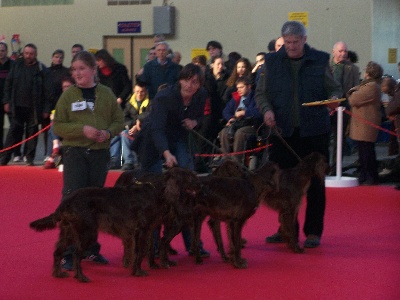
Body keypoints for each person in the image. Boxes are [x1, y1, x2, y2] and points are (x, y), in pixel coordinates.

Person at [256, 21, 342, 248]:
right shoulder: (272, 61)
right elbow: (261, 93)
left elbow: (334, 89)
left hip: (314, 132)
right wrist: (267, 111)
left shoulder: (320, 60)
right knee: (281, 183)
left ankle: (313, 232)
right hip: (282, 132)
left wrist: (333, 100)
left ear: (304, 39)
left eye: (296, 42)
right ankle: (286, 229)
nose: (292, 46)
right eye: (288, 42)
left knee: (315, 183)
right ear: (282, 40)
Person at [53, 50, 124, 270]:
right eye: (74, 70)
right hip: (75, 154)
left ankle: (91, 250)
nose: (77, 73)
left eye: (81, 68)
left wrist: (109, 133)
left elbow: (119, 121)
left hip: (99, 155)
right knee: (73, 201)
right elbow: (58, 126)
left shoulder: (106, 94)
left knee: (94, 203)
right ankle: (67, 252)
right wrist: (82, 129)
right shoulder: (68, 95)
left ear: (94, 70)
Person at [134, 63, 209, 256]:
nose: (190, 85)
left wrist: (195, 122)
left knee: (188, 190)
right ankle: (151, 246)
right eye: (187, 80)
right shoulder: (164, 97)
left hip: (179, 138)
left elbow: (200, 117)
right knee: (151, 191)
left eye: (195, 82)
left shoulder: (201, 95)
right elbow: (157, 129)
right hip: (153, 140)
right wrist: (166, 153)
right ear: (180, 79)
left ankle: (193, 244)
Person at [0, 43, 53, 166]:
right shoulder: (16, 66)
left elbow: (48, 91)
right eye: (26, 53)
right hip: (16, 106)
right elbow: (8, 84)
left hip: (34, 108)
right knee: (13, 133)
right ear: (23, 53)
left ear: (36, 54)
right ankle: (5, 158)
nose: (28, 56)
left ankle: (29, 158)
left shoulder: (41, 69)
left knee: (32, 134)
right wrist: (6, 101)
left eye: (31, 54)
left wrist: (46, 109)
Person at [94, 49, 132, 169]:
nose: (98, 63)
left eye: (99, 60)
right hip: (105, 106)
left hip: (119, 105)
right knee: (109, 131)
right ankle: (113, 158)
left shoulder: (120, 69)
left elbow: (127, 86)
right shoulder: (98, 73)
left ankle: (120, 158)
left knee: (118, 131)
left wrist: (120, 98)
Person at [347, 61, 383, 185]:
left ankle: (370, 176)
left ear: (368, 73)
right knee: (363, 151)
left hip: (366, 125)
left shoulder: (372, 86)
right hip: (363, 125)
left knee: (367, 152)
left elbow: (353, 99)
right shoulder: (369, 85)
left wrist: (352, 92)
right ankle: (364, 174)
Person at [329, 41, 360, 172]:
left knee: (339, 140)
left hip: (343, 109)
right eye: (340, 51)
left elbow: (355, 89)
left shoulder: (352, 69)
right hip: (326, 108)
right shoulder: (325, 66)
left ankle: (336, 168)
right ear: (334, 52)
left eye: (345, 51)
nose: (343, 54)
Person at [219, 77, 262, 163]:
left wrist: (244, 113)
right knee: (224, 132)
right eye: (237, 88)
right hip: (236, 123)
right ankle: (225, 160)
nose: (239, 90)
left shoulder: (255, 97)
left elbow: (258, 113)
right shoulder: (236, 98)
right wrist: (231, 118)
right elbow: (226, 111)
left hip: (251, 125)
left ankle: (236, 161)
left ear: (249, 86)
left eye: (241, 87)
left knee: (240, 133)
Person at [43, 76, 75, 169]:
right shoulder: (61, 99)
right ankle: (55, 148)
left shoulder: (76, 98)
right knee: (52, 128)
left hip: (73, 125)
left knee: (52, 129)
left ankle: (51, 157)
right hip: (61, 125)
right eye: (64, 87)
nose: (66, 88)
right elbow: (57, 111)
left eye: (68, 86)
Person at [44, 49, 70, 160]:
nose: (58, 59)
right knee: (47, 130)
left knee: (53, 127)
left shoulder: (66, 72)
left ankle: (54, 153)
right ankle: (48, 153)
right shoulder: (46, 71)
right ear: (52, 57)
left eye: (61, 57)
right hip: (48, 104)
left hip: (62, 104)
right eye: (56, 57)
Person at [120, 81, 151, 171]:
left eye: (142, 92)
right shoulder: (129, 103)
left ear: (146, 92)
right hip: (132, 129)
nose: (139, 94)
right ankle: (129, 161)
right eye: (137, 92)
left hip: (145, 129)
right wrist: (132, 126)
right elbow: (124, 118)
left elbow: (150, 114)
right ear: (134, 91)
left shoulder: (150, 102)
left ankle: (141, 161)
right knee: (124, 133)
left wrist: (139, 121)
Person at [0, 41, 13, 150]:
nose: (0, 53)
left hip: (9, 100)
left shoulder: (13, 65)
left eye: (3, 51)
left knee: (14, 127)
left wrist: (7, 100)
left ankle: (13, 151)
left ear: (7, 52)